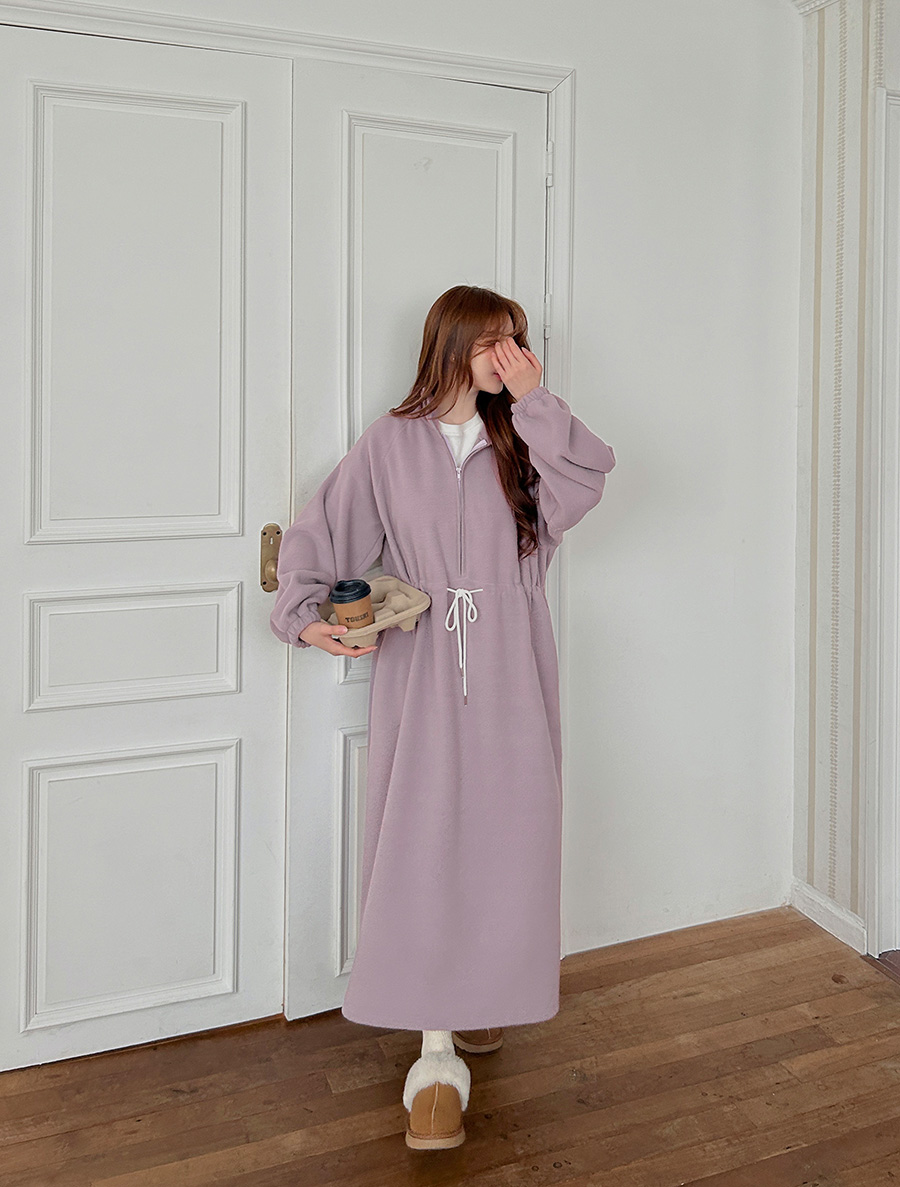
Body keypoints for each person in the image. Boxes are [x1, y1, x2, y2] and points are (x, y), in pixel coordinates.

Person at [269, 285, 617, 1149]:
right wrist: (304, 616)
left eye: (518, 342)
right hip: (422, 663)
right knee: (421, 841)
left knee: (510, 835)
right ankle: (434, 1055)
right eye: (493, 342)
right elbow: (323, 532)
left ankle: (484, 991)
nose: (508, 356)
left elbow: (587, 481)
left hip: (513, 660)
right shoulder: (389, 444)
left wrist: (534, 399)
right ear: (451, 344)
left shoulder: (524, 437)